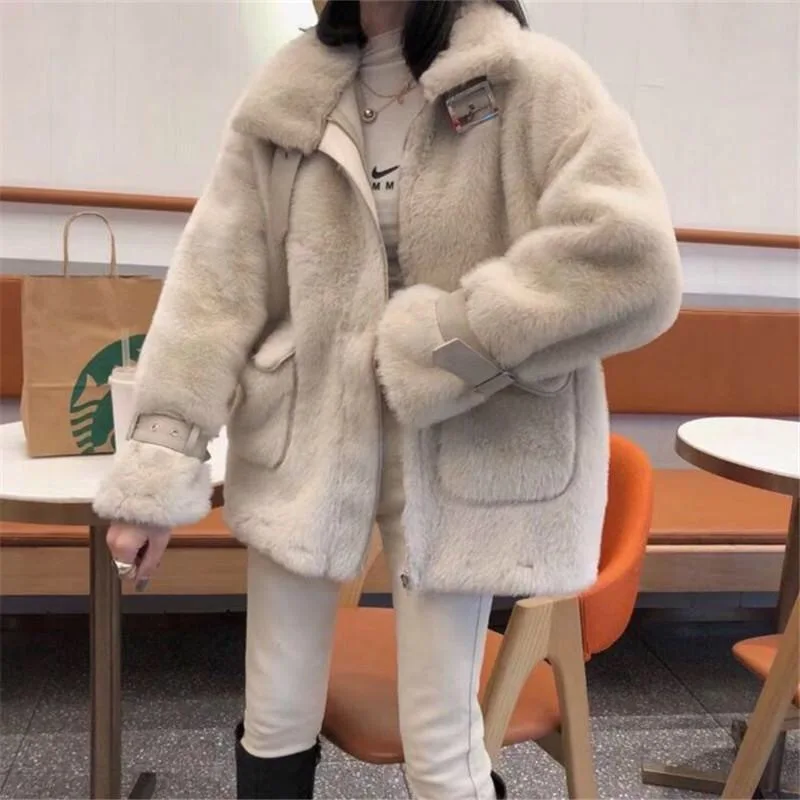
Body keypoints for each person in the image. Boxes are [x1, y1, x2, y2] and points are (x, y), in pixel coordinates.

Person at [95, 0, 682, 797]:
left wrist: (449, 342)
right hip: (305, 437)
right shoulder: (289, 96)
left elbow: (632, 260)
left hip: (464, 441)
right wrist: (160, 461)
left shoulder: (527, 79)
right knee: (273, 713)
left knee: (439, 740)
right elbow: (215, 287)